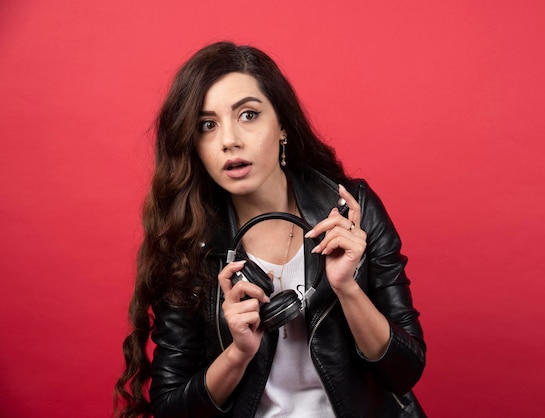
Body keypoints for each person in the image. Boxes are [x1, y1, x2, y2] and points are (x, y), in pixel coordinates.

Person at [114, 41, 427, 418]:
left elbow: (406, 371)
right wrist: (237, 353)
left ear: (282, 125)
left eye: (248, 115)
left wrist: (347, 289)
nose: (229, 140)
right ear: (193, 144)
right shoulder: (187, 241)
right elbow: (172, 409)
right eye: (207, 125)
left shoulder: (352, 210)